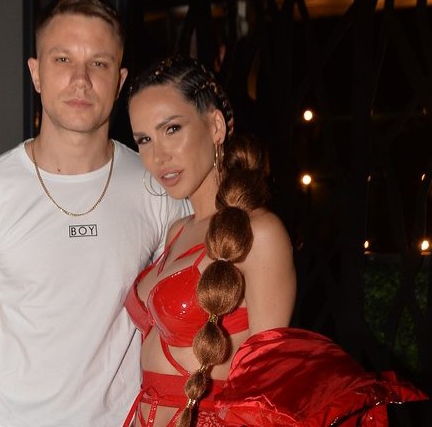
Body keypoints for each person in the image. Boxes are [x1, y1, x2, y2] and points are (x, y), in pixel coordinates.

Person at [122, 55, 427, 427]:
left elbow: (268, 389)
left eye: (171, 129)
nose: (158, 156)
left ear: (215, 126)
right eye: (144, 140)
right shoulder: (177, 230)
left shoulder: (259, 233)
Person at [0, 0, 188, 427]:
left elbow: (180, 321)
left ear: (120, 80)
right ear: (36, 73)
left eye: (99, 63)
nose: (81, 80)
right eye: (63, 59)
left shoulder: (157, 190)